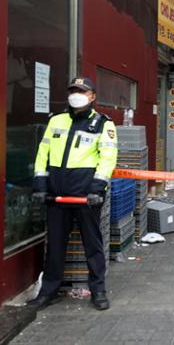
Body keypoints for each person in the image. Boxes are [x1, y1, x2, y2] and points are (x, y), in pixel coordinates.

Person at [28, 78, 118, 311]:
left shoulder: (102, 124)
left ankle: (98, 290)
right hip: (57, 195)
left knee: (93, 246)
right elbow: (43, 153)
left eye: (81, 91)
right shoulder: (56, 121)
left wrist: (97, 189)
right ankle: (49, 291)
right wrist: (40, 185)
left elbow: (107, 159)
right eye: (73, 90)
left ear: (92, 96)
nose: (76, 94)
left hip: (87, 196)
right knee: (55, 246)